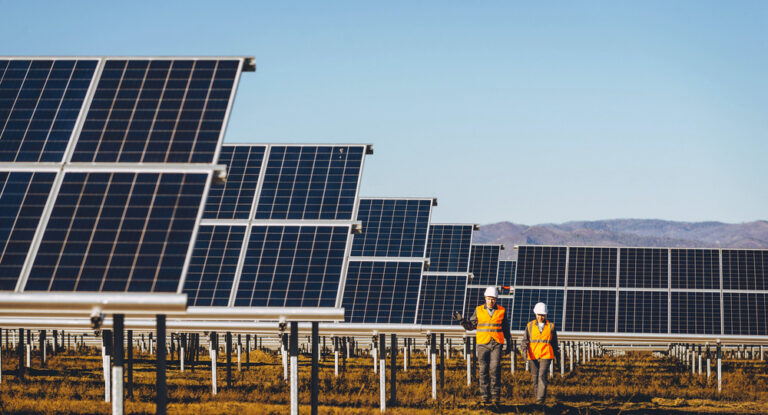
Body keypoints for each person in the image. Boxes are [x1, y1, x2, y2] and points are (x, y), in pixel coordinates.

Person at [455, 286, 511, 405]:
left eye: (493, 299)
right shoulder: (479, 310)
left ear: (496, 299)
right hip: (482, 343)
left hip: (496, 343)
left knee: (495, 368)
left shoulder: (502, 310)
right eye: (489, 298)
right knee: (483, 370)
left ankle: (496, 397)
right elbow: (471, 326)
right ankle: (485, 397)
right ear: (485, 298)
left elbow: (505, 328)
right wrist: (462, 321)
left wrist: (509, 343)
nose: (491, 301)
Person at [520, 302, 559, 404]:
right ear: (535, 314)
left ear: (545, 315)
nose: (540, 317)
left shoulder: (551, 326)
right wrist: (524, 353)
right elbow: (525, 341)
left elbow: (555, 343)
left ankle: (540, 400)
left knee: (542, 375)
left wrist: (557, 357)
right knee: (535, 377)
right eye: (539, 315)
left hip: (546, 355)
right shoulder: (530, 326)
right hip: (533, 354)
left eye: (542, 315)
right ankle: (538, 398)